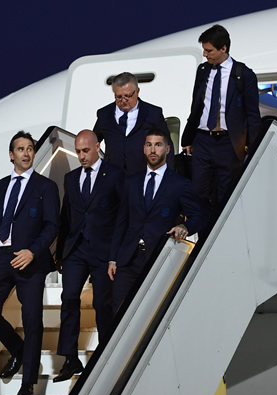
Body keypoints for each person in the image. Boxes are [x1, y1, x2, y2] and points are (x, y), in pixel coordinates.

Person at [0, 131, 60, 395]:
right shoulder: (0, 186)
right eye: (21, 149)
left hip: (30, 260)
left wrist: (33, 252)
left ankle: (28, 382)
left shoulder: (46, 187)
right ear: (11, 155)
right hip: (1, 257)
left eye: (30, 149)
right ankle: (18, 348)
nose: (26, 153)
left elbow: (52, 226)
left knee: (32, 319)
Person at [53, 130, 125, 383]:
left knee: (102, 304)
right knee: (69, 298)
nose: (81, 156)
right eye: (78, 151)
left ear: (97, 147)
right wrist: (60, 253)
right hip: (76, 250)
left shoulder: (115, 174)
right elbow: (66, 216)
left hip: (104, 250)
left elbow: (122, 216)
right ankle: (70, 358)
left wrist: (116, 254)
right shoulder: (71, 178)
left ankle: (106, 355)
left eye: (85, 150)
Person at [109, 128, 204, 310]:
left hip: (159, 258)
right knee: (119, 311)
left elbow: (198, 217)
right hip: (128, 260)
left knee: (152, 311)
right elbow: (121, 222)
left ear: (167, 149)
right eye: (149, 145)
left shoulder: (179, 184)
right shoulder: (131, 182)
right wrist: (113, 259)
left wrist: (185, 226)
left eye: (158, 145)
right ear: (144, 148)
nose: (153, 150)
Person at [181, 24, 261, 226]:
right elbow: (195, 107)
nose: (204, 54)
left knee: (226, 193)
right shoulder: (203, 71)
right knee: (198, 191)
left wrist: (253, 149)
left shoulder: (244, 74)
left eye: (209, 50)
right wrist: (187, 138)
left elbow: (253, 114)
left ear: (223, 48)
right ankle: (206, 230)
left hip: (228, 143)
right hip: (202, 140)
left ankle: (222, 231)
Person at [93, 71, 175, 176]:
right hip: (112, 176)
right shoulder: (104, 114)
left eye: (127, 96)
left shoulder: (153, 113)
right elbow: (92, 143)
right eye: (119, 97)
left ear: (137, 91)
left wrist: (169, 175)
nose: (123, 100)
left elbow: (167, 145)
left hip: (143, 175)